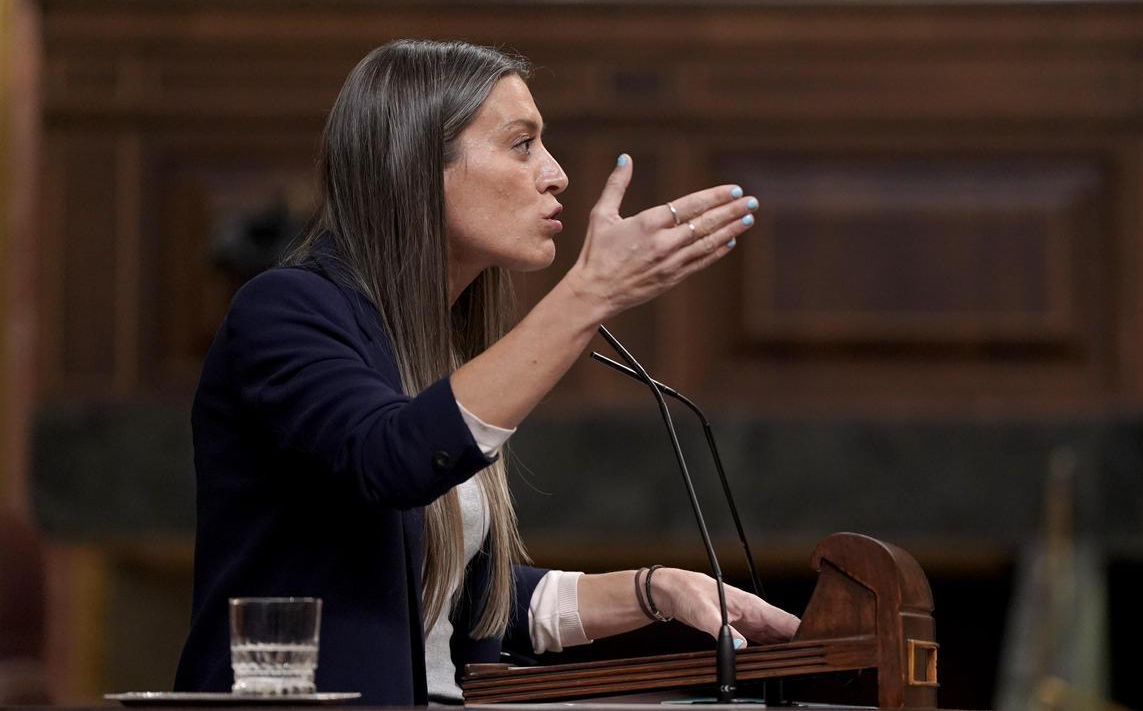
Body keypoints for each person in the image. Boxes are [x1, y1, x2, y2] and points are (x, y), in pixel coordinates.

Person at [174, 39, 798, 705]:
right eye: (522, 144)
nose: (555, 174)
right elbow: (391, 457)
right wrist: (589, 293)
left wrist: (660, 588)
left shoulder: (443, 351)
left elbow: (466, 602)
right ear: (414, 164)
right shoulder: (285, 309)